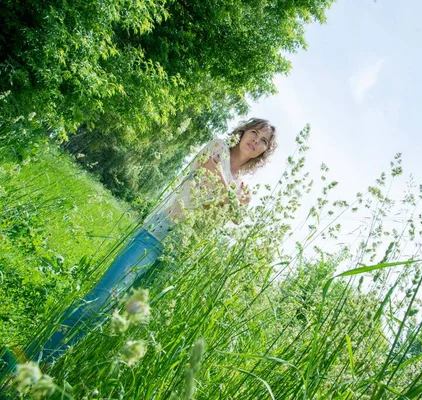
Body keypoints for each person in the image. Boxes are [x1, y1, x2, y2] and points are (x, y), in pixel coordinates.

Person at [1, 118, 277, 372]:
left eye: (263, 141)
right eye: (254, 132)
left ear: (263, 152)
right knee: (100, 299)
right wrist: (232, 199)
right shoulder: (218, 148)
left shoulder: (241, 184)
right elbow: (215, 187)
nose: (256, 140)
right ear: (243, 132)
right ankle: (25, 357)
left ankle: (44, 362)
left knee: (115, 312)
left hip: (179, 251)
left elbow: (231, 214)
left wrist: (228, 199)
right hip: (157, 233)